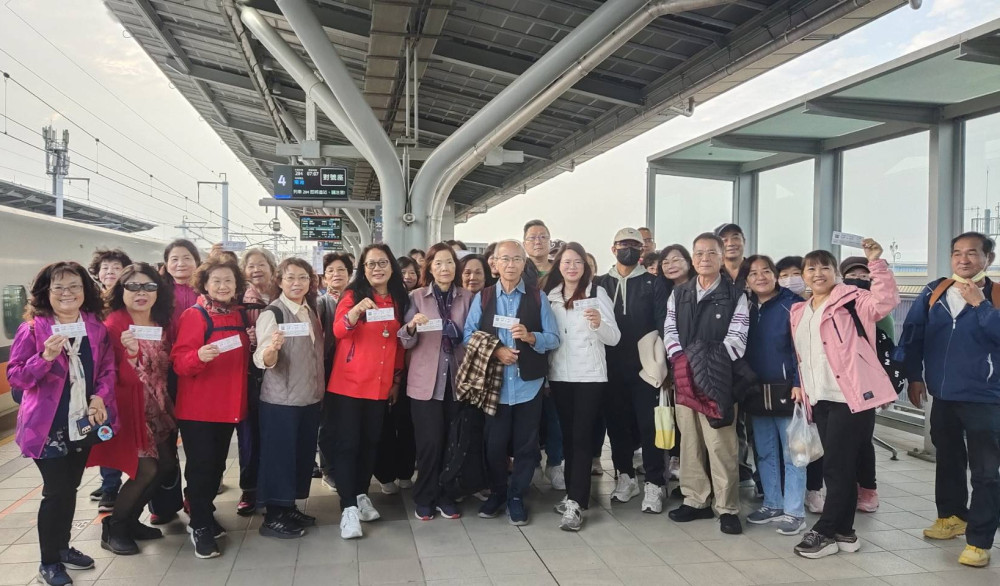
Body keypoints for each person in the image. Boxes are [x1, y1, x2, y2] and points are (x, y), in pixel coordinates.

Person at [7, 261, 116, 586]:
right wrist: (44, 358)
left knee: (70, 487)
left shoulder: (95, 328)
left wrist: (100, 397)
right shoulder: (32, 329)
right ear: (47, 292)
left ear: (85, 291)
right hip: (46, 428)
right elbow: (16, 377)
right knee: (56, 492)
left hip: (81, 423)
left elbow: (107, 369)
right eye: (59, 287)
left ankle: (63, 547)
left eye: (74, 287)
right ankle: (49, 562)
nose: (67, 293)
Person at [789, 240, 899, 559]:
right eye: (811, 268)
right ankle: (845, 532)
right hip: (819, 397)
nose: (818, 273)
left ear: (836, 272)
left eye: (825, 267)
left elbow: (886, 301)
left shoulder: (853, 299)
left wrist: (876, 263)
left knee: (836, 466)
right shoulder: (799, 311)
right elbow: (802, 356)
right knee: (842, 467)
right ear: (804, 276)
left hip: (852, 397)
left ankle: (825, 531)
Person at [899, 232, 1000, 568]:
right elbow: (913, 334)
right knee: (948, 458)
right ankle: (952, 515)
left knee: (986, 471)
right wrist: (914, 376)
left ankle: (980, 540)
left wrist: (981, 305)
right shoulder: (935, 291)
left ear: (988, 258)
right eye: (957, 253)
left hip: (985, 397)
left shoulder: (996, 295)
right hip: (943, 395)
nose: (963, 259)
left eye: (972, 253)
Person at [464, 239, 560, 525]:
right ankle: (498, 492)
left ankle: (517, 496)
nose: (510, 264)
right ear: (494, 263)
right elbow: (468, 335)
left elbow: (554, 338)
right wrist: (496, 350)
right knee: (494, 445)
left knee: (526, 447)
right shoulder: (483, 297)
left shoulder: (537, 297)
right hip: (495, 386)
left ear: (523, 263)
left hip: (528, 385)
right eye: (504, 259)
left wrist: (531, 337)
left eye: (516, 259)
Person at [664, 232, 749, 535]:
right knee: (689, 442)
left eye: (711, 253)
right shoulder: (680, 293)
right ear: (692, 258)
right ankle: (695, 499)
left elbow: (738, 338)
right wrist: (682, 361)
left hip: (719, 380)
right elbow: (670, 329)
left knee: (720, 444)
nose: (704, 259)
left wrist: (706, 363)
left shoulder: (735, 294)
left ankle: (726, 507)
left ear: (721, 256)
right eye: (699, 253)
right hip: (685, 379)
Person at [91, 263, 177, 555]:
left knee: (165, 466)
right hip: (129, 407)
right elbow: (107, 373)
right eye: (134, 286)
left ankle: (129, 521)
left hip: (158, 407)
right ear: (121, 290)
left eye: (149, 286)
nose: (142, 293)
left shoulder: (160, 321)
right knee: (145, 469)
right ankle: (114, 527)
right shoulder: (114, 325)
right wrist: (129, 356)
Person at [328, 244, 409, 540]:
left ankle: (361, 494)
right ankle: (348, 507)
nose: (377, 268)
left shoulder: (398, 297)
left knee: (370, 443)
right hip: (348, 384)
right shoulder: (353, 295)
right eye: (371, 263)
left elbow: (398, 343)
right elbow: (339, 331)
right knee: (348, 445)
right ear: (362, 269)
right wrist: (356, 312)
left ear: (391, 266)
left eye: (382, 262)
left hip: (380, 385)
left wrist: (395, 380)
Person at [171, 257, 250, 559]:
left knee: (216, 467)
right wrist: (198, 357)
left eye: (228, 280)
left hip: (228, 407)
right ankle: (200, 525)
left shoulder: (239, 315)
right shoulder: (195, 316)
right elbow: (179, 362)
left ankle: (203, 511)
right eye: (216, 280)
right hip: (199, 410)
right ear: (204, 284)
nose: (222, 286)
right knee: (202, 467)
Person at [544, 243, 620, 531]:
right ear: (559, 266)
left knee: (582, 437)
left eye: (577, 262)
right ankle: (573, 495)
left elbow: (614, 337)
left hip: (590, 376)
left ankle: (576, 502)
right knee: (568, 437)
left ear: (585, 266)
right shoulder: (551, 297)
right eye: (566, 262)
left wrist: (599, 323)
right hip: (560, 376)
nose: (572, 267)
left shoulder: (597, 293)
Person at [594, 228, 669, 512]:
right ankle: (625, 476)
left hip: (645, 367)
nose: (629, 249)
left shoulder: (654, 283)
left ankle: (654, 482)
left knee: (649, 426)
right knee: (617, 426)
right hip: (610, 367)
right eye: (623, 244)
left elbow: (663, 323)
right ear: (613, 249)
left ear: (642, 250)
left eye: (634, 245)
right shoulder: (600, 284)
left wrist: (663, 365)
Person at [398, 243, 474, 520]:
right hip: (425, 383)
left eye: (450, 262)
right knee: (429, 443)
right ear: (429, 267)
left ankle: (445, 495)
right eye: (438, 263)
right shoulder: (417, 297)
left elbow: (473, 335)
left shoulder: (467, 297)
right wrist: (411, 326)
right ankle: (425, 496)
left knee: (452, 442)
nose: (445, 268)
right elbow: (405, 341)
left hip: (457, 380)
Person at [252, 258, 325, 539]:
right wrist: (271, 350)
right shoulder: (273, 313)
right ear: (280, 281)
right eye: (290, 278)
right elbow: (262, 358)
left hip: (309, 397)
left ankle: (288, 506)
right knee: (279, 457)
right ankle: (273, 516)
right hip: (280, 401)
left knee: (300, 455)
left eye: (303, 278)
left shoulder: (309, 310)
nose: (297, 283)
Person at [741, 255, 806, 536]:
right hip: (756, 390)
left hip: (787, 389)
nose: (760, 277)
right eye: (753, 273)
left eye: (766, 271)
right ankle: (772, 503)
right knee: (765, 452)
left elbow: (801, 347)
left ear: (775, 275)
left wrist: (799, 382)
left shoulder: (793, 304)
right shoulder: (745, 307)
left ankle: (795, 512)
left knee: (793, 454)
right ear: (746, 280)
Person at [148, 239, 201, 525]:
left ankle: (195, 496)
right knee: (163, 440)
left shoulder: (206, 290)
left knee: (195, 440)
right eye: (175, 259)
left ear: (197, 262)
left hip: (197, 370)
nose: (181, 264)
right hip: (162, 373)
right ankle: (164, 503)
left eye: (187, 258)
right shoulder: (157, 292)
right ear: (166, 264)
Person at [86, 248, 132, 513]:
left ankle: (116, 482)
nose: (110, 272)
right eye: (105, 267)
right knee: (105, 431)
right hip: (102, 379)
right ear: (98, 273)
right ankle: (110, 486)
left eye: (116, 267)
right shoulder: (90, 304)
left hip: (128, 375)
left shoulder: (130, 300)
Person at [235, 248, 278, 516]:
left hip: (281, 373)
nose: (256, 270)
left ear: (272, 268)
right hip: (249, 376)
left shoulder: (283, 295)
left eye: (261, 264)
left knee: (275, 433)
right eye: (250, 266)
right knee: (249, 434)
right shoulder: (238, 300)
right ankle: (249, 489)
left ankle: (273, 487)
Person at [522, 220, 564, 489]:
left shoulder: (561, 271)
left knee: (556, 412)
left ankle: (556, 463)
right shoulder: (518, 268)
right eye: (532, 237)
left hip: (559, 347)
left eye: (542, 237)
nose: (537, 241)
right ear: (524, 243)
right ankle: (534, 463)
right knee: (531, 414)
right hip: (527, 348)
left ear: (550, 241)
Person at [373, 258, 419, 495]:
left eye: (412, 272)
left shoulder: (414, 299)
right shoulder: (377, 298)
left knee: (407, 425)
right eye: (403, 272)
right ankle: (385, 474)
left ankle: (405, 471)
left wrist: (398, 378)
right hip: (380, 370)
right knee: (384, 426)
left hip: (410, 372)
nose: (408, 276)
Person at [656, 244, 697, 481]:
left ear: (689, 262)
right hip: (672, 362)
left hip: (698, 363)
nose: (670, 266)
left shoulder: (700, 288)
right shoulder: (662, 292)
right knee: (677, 414)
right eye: (665, 262)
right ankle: (678, 460)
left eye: (676, 260)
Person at [316, 252, 353, 489]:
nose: (336, 274)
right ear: (324, 277)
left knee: (347, 419)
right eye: (330, 271)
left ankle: (346, 465)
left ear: (350, 274)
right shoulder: (321, 303)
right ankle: (328, 468)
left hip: (353, 366)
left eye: (341, 270)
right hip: (329, 365)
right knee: (328, 420)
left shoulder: (358, 299)